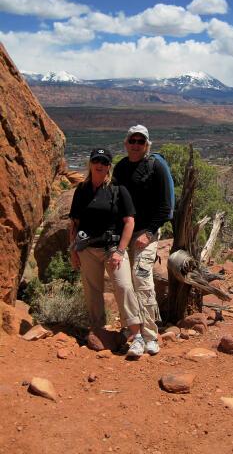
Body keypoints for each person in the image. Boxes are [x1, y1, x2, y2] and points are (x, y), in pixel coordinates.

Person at [69, 147, 147, 358]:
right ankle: (99, 332)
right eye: (96, 160)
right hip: (87, 249)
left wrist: (120, 251)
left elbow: (129, 222)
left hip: (112, 249)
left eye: (104, 162)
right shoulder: (82, 190)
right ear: (90, 163)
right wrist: (74, 251)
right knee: (92, 292)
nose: (100, 164)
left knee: (123, 287)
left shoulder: (117, 189)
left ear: (108, 166)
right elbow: (75, 224)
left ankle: (137, 337)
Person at [112, 125, 172, 355]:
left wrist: (148, 233)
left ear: (147, 145)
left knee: (141, 278)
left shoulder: (155, 167)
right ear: (126, 143)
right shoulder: (121, 167)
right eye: (132, 140)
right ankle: (132, 329)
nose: (136, 145)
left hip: (147, 232)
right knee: (124, 282)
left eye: (141, 141)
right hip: (123, 233)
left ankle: (150, 335)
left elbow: (165, 206)